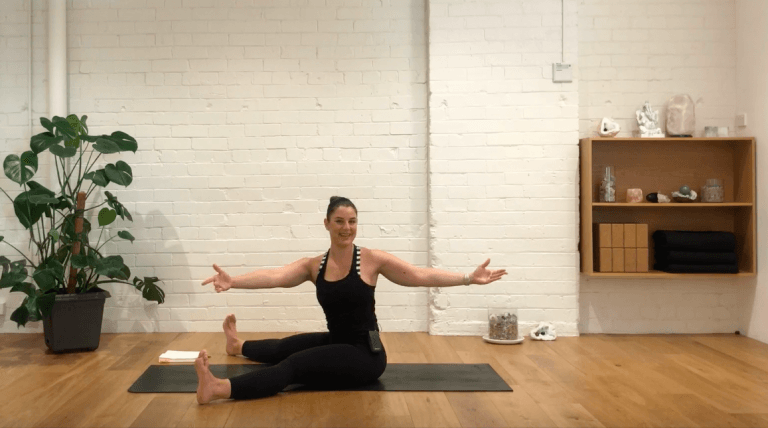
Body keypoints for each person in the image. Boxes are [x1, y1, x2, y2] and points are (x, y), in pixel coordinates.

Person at [194, 196, 508, 404]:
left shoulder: (371, 260)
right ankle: (238, 346)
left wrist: (468, 277)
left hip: (365, 355)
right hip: (337, 341)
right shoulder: (314, 265)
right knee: (284, 347)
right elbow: (275, 276)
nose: (347, 228)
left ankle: (219, 388)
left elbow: (419, 275)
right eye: (340, 221)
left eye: (352, 221)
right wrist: (233, 281)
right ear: (327, 223)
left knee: (293, 365)